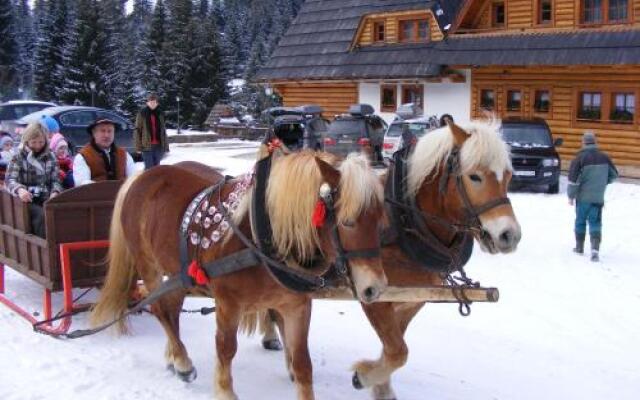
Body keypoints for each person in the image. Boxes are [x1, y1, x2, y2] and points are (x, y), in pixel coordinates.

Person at [5, 122, 62, 237]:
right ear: (27, 141)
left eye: (41, 142)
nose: (37, 146)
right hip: (27, 200)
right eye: (34, 142)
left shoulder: (51, 156)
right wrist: (20, 190)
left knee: (61, 214)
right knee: (42, 216)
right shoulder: (18, 156)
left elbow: (56, 180)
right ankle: (44, 245)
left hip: (46, 197)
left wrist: (55, 192)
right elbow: (10, 180)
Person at [567, 131, 618, 262]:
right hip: (598, 198)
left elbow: (573, 180)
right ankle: (595, 250)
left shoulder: (579, 158)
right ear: (595, 142)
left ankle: (579, 247)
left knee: (580, 221)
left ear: (583, 142)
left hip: (582, 198)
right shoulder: (605, 157)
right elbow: (614, 175)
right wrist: (603, 182)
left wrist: (570, 196)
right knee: (596, 222)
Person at [73, 118, 135, 186]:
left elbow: (133, 179)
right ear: (94, 133)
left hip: (121, 195)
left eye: (110, 131)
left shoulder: (124, 154)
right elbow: (82, 184)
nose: (106, 135)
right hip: (95, 195)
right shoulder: (83, 156)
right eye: (102, 131)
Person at [135, 93, 168, 169]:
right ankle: (146, 180)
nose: (152, 104)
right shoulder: (142, 113)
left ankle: (156, 181)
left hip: (158, 146)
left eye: (154, 102)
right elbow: (137, 130)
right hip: (146, 146)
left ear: (157, 103)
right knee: (149, 168)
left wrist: (166, 146)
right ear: (147, 103)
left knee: (157, 167)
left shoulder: (160, 114)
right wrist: (138, 147)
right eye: (151, 102)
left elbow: (163, 131)